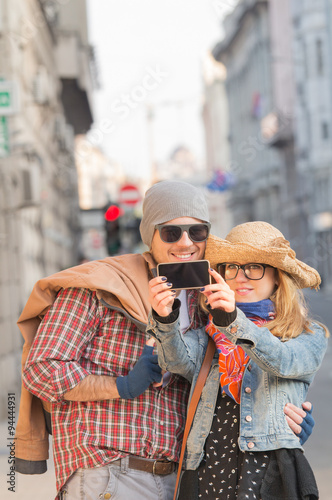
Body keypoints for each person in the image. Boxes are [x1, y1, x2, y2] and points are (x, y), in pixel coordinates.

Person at [15, 182, 313, 500]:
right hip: (108, 472)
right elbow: (40, 369)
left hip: (181, 480)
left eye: (197, 232)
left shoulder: (208, 305)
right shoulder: (98, 288)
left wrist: (284, 420)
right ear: (150, 235)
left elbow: (236, 386)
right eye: (171, 232)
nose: (186, 242)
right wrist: (120, 385)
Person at [148, 221, 329, 500]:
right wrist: (165, 318)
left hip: (269, 472)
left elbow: (284, 361)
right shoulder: (208, 335)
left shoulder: (308, 334)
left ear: (277, 277)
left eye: (254, 267)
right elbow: (175, 361)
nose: (240, 277)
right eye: (231, 267)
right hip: (207, 470)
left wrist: (233, 321)